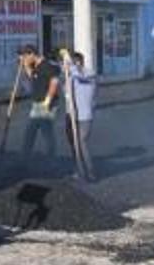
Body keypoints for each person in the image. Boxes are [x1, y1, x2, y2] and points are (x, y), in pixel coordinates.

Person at [18, 45, 60, 159]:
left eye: (26, 57)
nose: (25, 59)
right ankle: (25, 158)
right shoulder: (36, 66)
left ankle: (50, 158)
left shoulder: (48, 66)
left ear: (32, 54)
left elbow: (54, 83)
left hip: (46, 104)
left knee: (45, 132)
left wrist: (48, 100)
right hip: (36, 104)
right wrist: (26, 65)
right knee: (31, 132)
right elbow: (33, 76)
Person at [62, 51, 97, 181]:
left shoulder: (90, 74)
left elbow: (81, 78)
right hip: (71, 114)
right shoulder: (71, 77)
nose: (66, 67)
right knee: (73, 143)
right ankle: (79, 170)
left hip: (84, 116)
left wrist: (70, 65)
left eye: (71, 64)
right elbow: (67, 94)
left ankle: (90, 173)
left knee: (81, 142)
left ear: (78, 63)